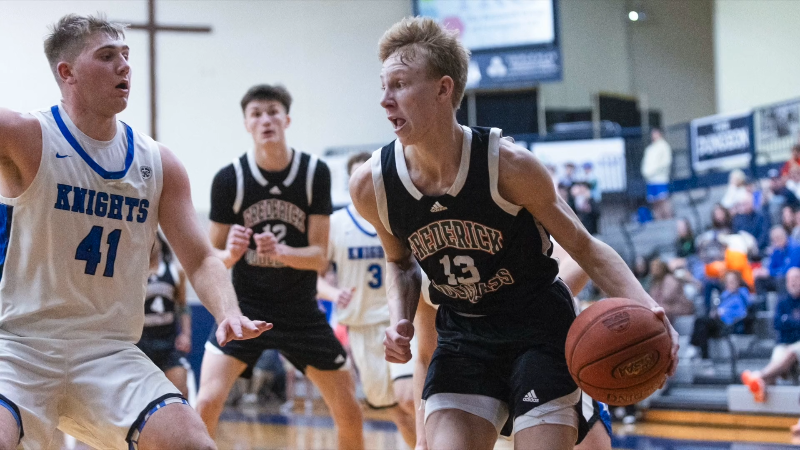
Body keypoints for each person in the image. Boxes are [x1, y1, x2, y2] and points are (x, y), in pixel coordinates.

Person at [349, 17, 678, 450]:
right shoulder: (372, 185)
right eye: (383, 86)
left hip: (538, 332)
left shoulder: (508, 166)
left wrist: (652, 311)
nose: (385, 101)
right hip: (464, 338)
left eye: (399, 85)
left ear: (443, 89)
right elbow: (400, 262)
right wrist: (400, 320)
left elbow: (584, 247)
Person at [0, 14, 270, 450]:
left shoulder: (157, 162)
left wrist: (227, 311)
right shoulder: (26, 135)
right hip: (20, 347)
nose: (124, 66)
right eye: (107, 57)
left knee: (192, 442)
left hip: (109, 352)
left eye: (125, 56)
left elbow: (201, 258)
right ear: (66, 73)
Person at [194, 84, 364, 448]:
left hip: (300, 310)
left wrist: (282, 251)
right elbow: (211, 258)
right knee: (206, 401)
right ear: (246, 123)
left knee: (349, 410)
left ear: (286, 119)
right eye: (256, 113)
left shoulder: (313, 173)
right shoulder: (230, 179)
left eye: (272, 111)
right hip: (245, 309)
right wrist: (232, 256)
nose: (265, 119)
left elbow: (319, 255)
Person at [413, 239, 613, 450]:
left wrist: (534, 300)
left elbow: (580, 254)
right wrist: (421, 439)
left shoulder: (505, 219)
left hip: (547, 354)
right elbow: (425, 354)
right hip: (477, 367)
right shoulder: (422, 258)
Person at [319, 152, 417, 447]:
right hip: (361, 327)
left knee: (409, 398)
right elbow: (314, 275)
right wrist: (335, 294)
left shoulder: (398, 217)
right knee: (395, 409)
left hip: (400, 320)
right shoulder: (336, 223)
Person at [137, 232, 192, 398]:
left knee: (181, 391)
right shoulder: (132, 274)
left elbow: (183, 306)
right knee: (141, 397)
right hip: (141, 342)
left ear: (161, 242)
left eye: (154, 238)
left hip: (168, 342)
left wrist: (186, 335)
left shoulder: (176, 271)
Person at [742, 267, 800, 403]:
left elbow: (784, 323)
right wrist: (794, 322)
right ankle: (760, 388)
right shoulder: (782, 301)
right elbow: (777, 324)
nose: (793, 282)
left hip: (797, 345)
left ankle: (757, 376)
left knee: (791, 353)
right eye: (790, 279)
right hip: (785, 343)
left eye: (796, 278)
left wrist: (788, 321)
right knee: (776, 364)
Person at [690, 271, 750, 359]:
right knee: (701, 324)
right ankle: (703, 356)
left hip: (729, 324)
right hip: (718, 322)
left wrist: (724, 312)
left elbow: (743, 312)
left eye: (732, 281)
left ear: (738, 282)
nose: (730, 284)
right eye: (728, 282)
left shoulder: (741, 294)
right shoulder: (724, 295)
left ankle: (694, 346)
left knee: (701, 321)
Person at [648, 258, 695, 323]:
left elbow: (667, 297)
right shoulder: (655, 282)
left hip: (678, 307)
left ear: (662, 268)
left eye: (656, 268)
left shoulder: (670, 279)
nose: (654, 270)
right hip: (665, 308)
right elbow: (653, 299)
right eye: (652, 268)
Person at [640, 127, 673, 219]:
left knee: (662, 199)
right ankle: (658, 219)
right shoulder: (649, 149)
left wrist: (654, 171)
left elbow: (666, 162)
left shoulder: (664, 146)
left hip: (660, 178)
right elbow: (645, 163)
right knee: (654, 201)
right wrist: (646, 173)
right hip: (650, 179)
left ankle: (668, 218)